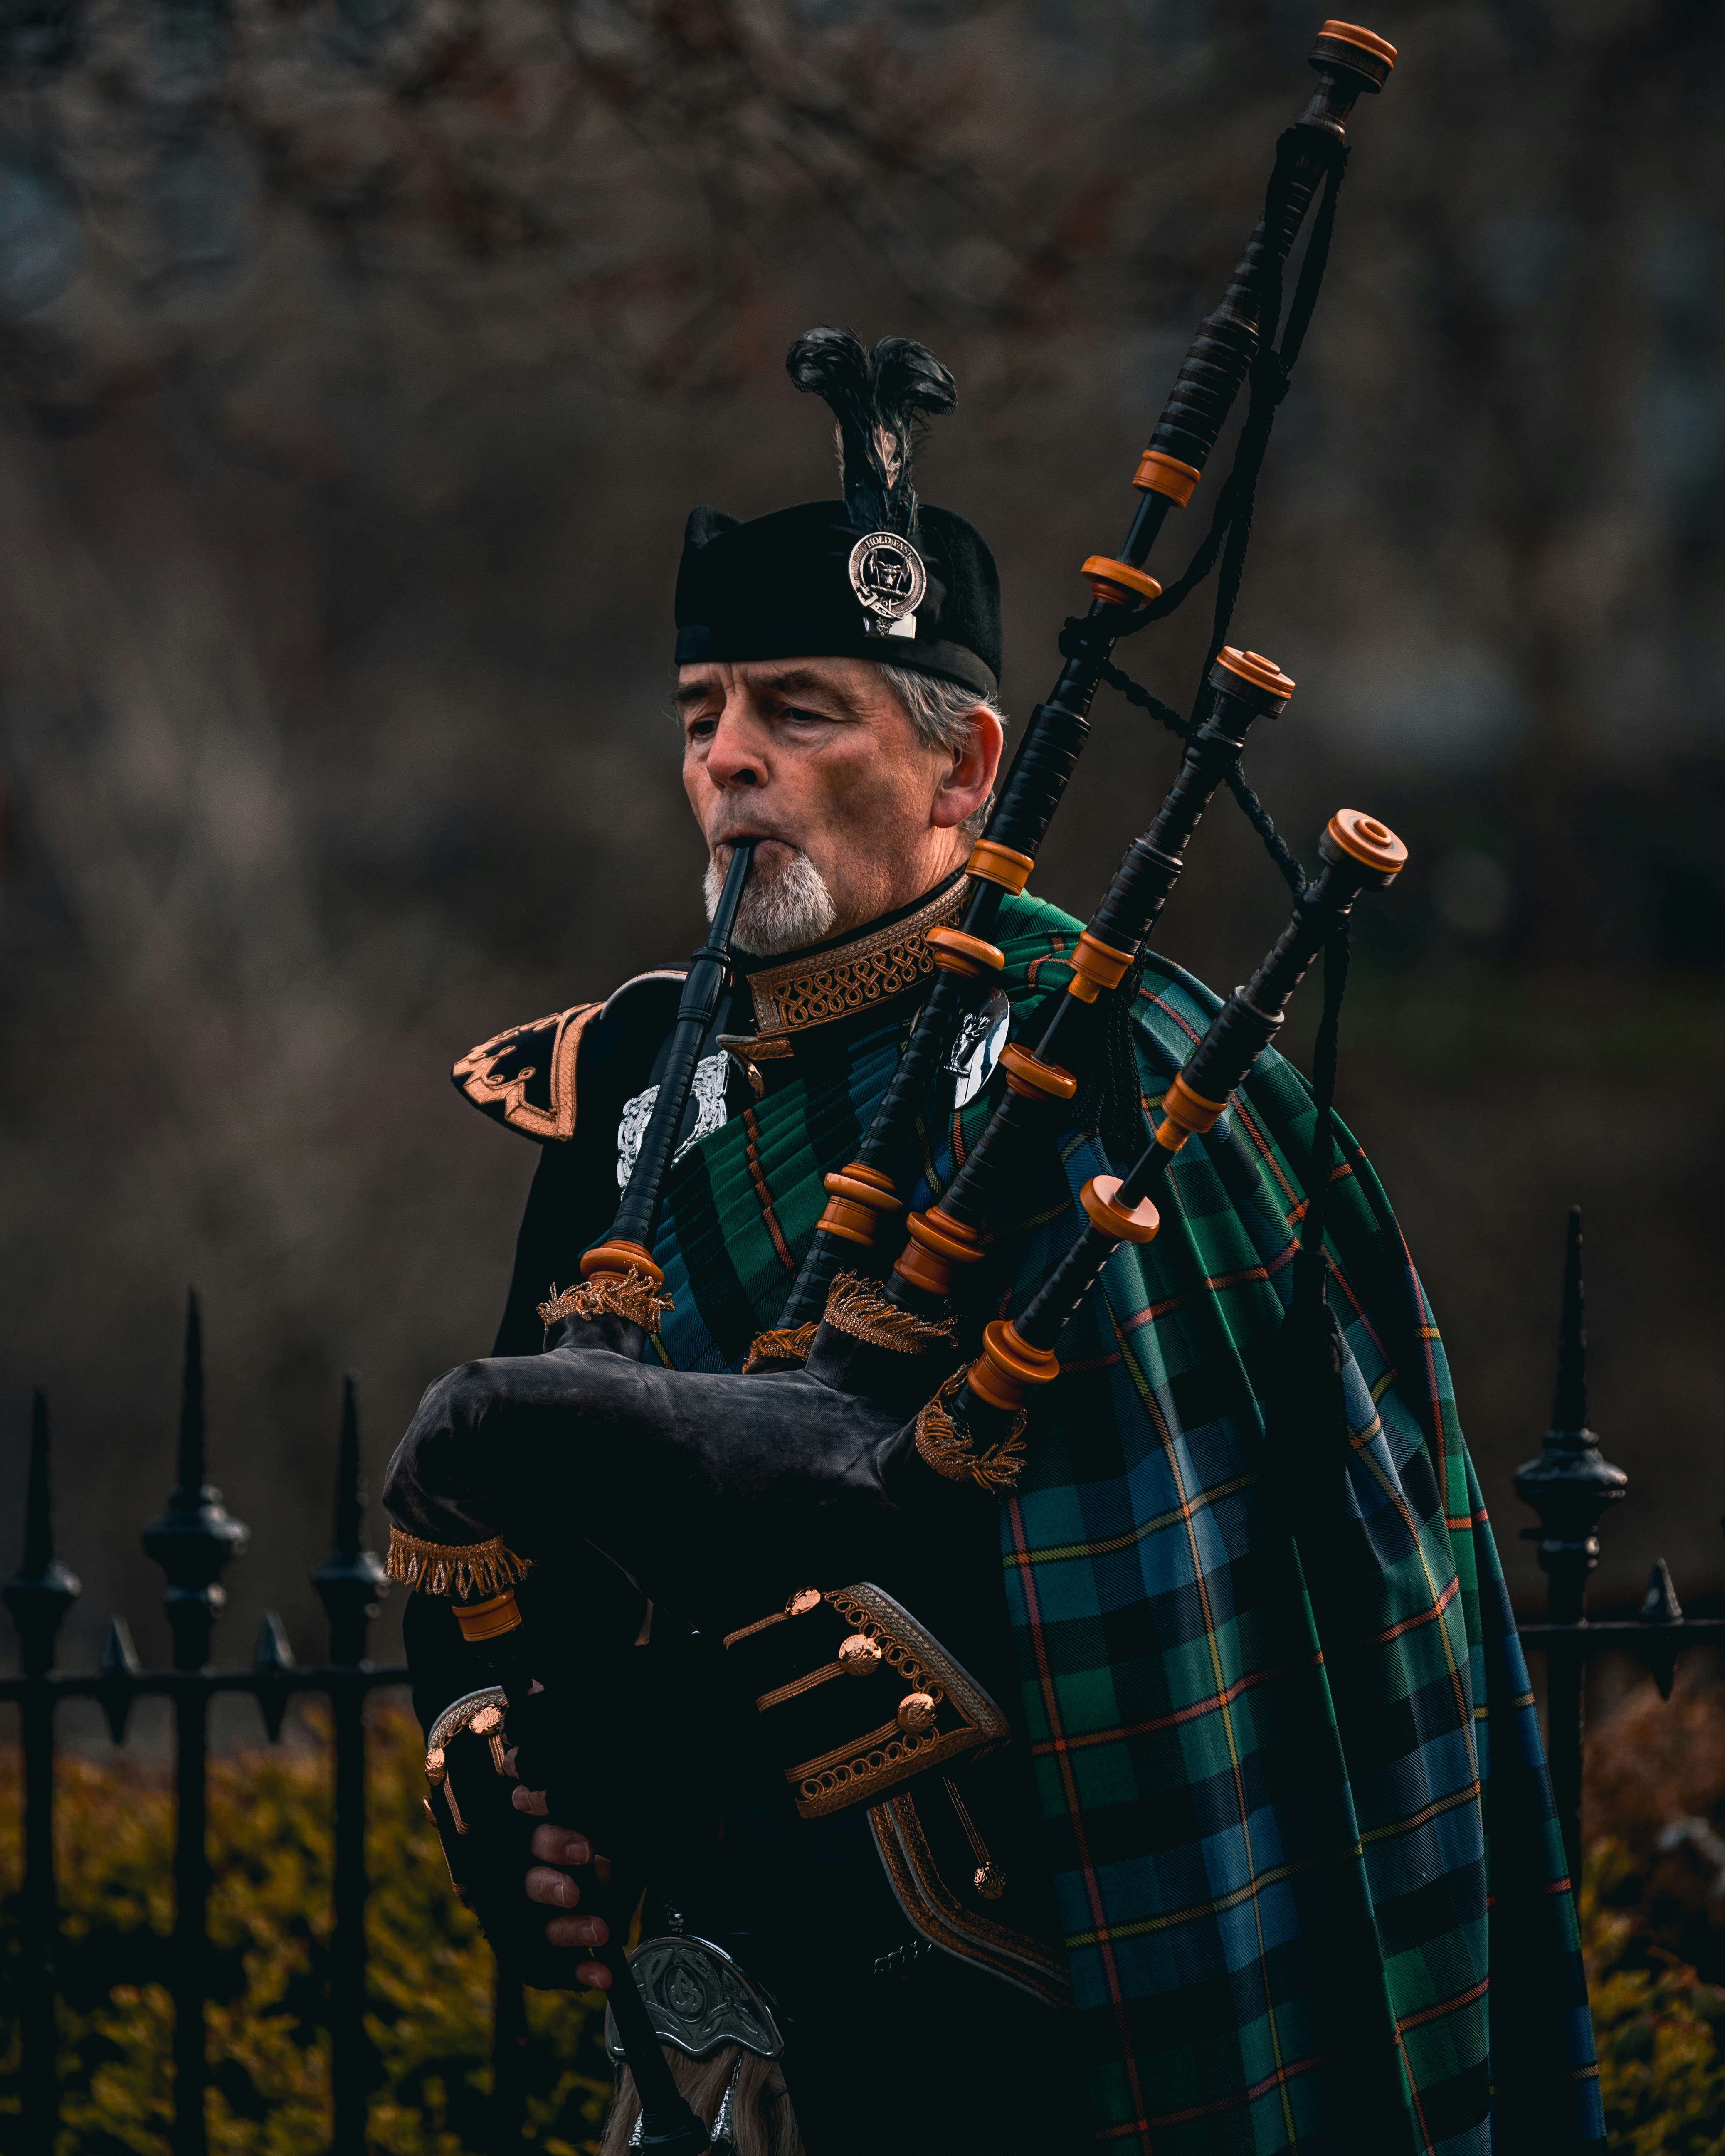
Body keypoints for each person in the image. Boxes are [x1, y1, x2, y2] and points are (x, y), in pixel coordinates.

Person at [398, 330, 1604, 2156]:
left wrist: (786, 1666)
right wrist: (510, 1766)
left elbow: (1184, 1581)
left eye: (799, 711)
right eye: (700, 714)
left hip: (1054, 1983)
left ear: (964, 769)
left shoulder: (1108, 1056)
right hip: (734, 2013)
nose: (729, 761)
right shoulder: (625, 1086)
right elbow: (510, 1555)